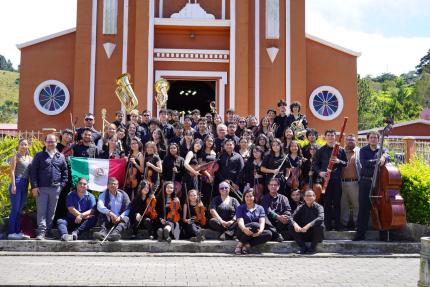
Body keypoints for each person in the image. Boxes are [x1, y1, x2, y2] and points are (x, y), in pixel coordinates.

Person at [31, 134, 68, 240]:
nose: (51, 143)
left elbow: (65, 173)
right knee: (41, 211)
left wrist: (61, 186)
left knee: (51, 212)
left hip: (55, 188)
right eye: (49, 141)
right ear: (45, 142)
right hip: (41, 188)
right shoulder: (39, 155)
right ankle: (41, 233)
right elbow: (33, 172)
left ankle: (48, 232)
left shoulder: (60, 156)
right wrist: (34, 186)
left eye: (53, 141)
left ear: (56, 143)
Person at [353, 131, 389, 241]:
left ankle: (383, 236)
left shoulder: (383, 150)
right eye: (371, 137)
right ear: (368, 139)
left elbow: (389, 158)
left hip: (379, 183)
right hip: (366, 182)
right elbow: (365, 163)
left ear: (378, 139)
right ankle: (360, 236)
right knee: (363, 209)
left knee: (382, 208)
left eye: (375, 138)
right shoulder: (363, 150)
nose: (373, 139)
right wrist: (379, 160)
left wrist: (384, 157)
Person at [313, 129, 347, 231]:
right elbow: (315, 164)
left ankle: (338, 225)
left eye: (332, 135)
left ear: (335, 137)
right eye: (329, 135)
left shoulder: (340, 150)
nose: (331, 137)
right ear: (325, 137)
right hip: (325, 180)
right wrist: (320, 172)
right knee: (327, 203)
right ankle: (327, 225)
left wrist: (338, 161)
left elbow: (345, 163)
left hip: (336, 180)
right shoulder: (320, 150)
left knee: (337, 203)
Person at [7, 138, 32, 240]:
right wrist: (13, 185)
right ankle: (11, 232)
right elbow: (12, 171)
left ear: (28, 146)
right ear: (18, 145)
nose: (23, 146)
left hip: (25, 184)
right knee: (15, 209)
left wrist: (31, 187)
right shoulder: (15, 157)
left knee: (19, 210)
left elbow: (31, 174)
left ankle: (17, 232)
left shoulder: (31, 158)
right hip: (16, 182)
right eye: (22, 144)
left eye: (25, 144)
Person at [234, 188, 272, 255]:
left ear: (254, 197)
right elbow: (240, 221)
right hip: (242, 232)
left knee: (269, 234)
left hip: (255, 233)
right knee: (255, 225)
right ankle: (239, 245)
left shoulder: (260, 208)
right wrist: (244, 229)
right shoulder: (240, 208)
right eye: (247, 196)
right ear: (244, 198)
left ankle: (247, 245)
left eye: (251, 196)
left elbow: (262, 221)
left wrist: (260, 231)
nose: (249, 198)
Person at [94, 177, 130, 241]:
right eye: (111, 184)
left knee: (126, 218)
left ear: (118, 186)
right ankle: (102, 233)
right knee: (102, 215)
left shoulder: (123, 195)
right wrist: (110, 213)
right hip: (109, 219)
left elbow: (128, 209)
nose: (113, 185)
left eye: (115, 184)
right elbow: (99, 206)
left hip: (119, 220)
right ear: (107, 186)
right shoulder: (103, 195)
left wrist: (120, 217)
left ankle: (115, 234)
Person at [289, 190, 325, 254]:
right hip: (304, 233)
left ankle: (312, 248)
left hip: (315, 235)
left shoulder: (319, 207)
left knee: (320, 226)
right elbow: (291, 218)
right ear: (304, 198)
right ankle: (303, 247)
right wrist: (295, 224)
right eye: (306, 196)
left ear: (314, 197)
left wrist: (309, 225)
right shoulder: (300, 207)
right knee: (291, 226)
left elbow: (321, 218)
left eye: (310, 196)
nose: (308, 197)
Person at [341, 134, 361, 230]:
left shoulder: (359, 152)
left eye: (352, 140)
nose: (350, 141)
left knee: (356, 204)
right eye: (348, 140)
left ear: (356, 141)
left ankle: (357, 224)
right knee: (343, 204)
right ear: (345, 141)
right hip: (341, 182)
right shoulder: (340, 151)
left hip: (355, 182)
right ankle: (344, 225)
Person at [262, 178, 292, 242]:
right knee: (263, 216)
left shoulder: (284, 198)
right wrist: (278, 217)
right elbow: (267, 210)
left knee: (290, 218)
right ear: (268, 186)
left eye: (275, 185)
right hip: (270, 222)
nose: (273, 186)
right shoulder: (264, 198)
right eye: (271, 185)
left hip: (281, 223)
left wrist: (284, 217)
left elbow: (288, 210)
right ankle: (276, 234)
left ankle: (277, 235)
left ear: (278, 186)